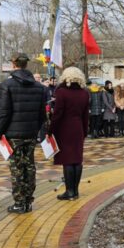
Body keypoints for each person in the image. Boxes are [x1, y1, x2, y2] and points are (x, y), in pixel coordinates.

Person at [0, 53, 47, 214]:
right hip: (30, 134)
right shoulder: (39, 87)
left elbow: (3, 112)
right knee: (29, 167)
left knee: (17, 169)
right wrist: (34, 130)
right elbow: (41, 115)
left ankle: (19, 203)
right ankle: (28, 201)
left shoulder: (7, 85)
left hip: (13, 135)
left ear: (14, 64)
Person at [49, 67, 89, 200]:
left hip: (64, 128)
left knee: (67, 160)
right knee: (77, 160)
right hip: (78, 127)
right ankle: (75, 191)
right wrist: (84, 131)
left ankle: (69, 191)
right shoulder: (84, 93)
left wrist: (51, 130)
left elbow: (58, 113)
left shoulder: (62, 92)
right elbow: (85, 115)